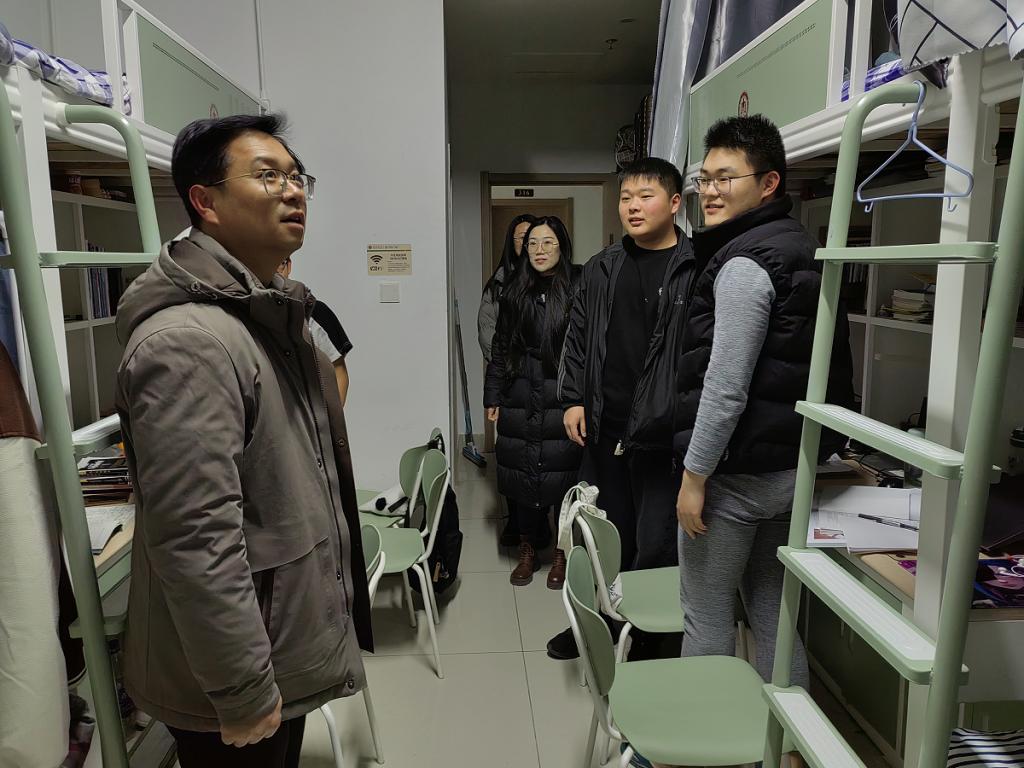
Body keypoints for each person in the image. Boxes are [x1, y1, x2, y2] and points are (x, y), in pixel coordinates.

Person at [114, 113, 373, 768]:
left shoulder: (265, 314)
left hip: (276, 643)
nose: (294, 190)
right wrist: (241, 688)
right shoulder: (190, 342)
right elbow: (196, 537)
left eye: (297, 176)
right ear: (205, 202)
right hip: (238, 673)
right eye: (268, 176)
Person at [673, 115, 854, 687]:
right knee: (773, 607)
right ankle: (788, 733)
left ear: (768, 183)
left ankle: (703, 732)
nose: (710, 191)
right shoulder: (801, 245)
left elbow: (726, 388)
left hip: (736, 475)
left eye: (726, 178)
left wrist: (694, 477)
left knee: (705, 614)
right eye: (705, 179)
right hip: (790, 469)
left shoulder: (744, 264)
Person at [551, 157, 696, 661]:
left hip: (661, 435)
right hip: (604, 425)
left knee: (654, 544)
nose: (632, 207)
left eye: (645, 196)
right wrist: (573, 397)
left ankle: (649, 639)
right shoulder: (603, 266)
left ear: (674, 203)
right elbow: (577, 338)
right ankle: (598, 626)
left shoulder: (694, 268)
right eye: (626, 197)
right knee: (600, 538)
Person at [484, 216, 582, 588]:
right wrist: (493, 394)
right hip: (519, 394)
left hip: (562, 395)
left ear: (562, 246)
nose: (540, 250)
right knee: (521, 473)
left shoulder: (578, 286)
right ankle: (527, 548)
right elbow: (500, 347)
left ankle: (560, 552)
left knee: (562, 474)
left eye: (548, 242)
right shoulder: (514, 290)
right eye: (533, 244)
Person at [479, 213, 538, 547]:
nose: (528, 243)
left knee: (543, 457)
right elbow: (488, 333)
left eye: (533, 236)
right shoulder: (499, 284)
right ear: (512, 243)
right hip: (511, 383)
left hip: (543, 387)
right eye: (521, 237)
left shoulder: (552, 280)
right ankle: (516, 521)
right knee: (512, 455)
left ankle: (539, 525)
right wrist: (509, 367)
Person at [278, 255, 353, 405]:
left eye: (279, 263)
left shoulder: (316, 312)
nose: (272, 271)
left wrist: (332, 417)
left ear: (288, 266)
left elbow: (338, 371)